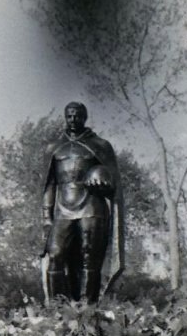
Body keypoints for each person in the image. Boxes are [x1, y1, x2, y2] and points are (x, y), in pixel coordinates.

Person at [41, 101, 124, 303]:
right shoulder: (54, 147)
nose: (73, 120)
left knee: (90, 257)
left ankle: (88, 307)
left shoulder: (101, 145)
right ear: (65, 117)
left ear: (84, 118)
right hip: (63, 209)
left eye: (77, 116)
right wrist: (46, 216)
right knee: (55, 254)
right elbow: (49, 185)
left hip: (92, 207)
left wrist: (102, 178)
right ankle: (57, 307)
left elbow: (114, 184)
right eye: (69, 116)